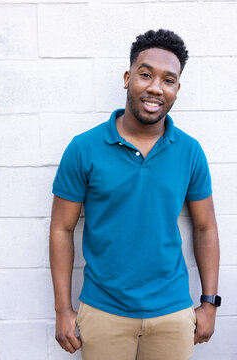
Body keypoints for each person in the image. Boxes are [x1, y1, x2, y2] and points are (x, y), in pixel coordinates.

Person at [49, 29, 221, 360]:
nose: (156, 87)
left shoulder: (190, 151)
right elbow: (61, 228)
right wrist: (62, 310)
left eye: (168, 80)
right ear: (128, 78)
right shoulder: (83, 148)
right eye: (145, 75)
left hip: (172, 311)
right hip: (103, 311)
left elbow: (206, 227)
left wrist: (209, 302)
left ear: (177, 89)